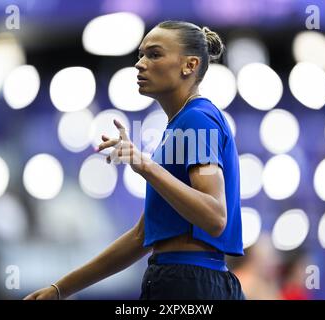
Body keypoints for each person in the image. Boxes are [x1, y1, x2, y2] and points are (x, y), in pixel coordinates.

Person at [24, 20, 245, 300]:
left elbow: (215, 217)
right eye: (140, 55)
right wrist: (60, 289)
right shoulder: (181, 125)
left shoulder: (196, 118)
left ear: (189, 65)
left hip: (188, 284)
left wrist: (145, 166)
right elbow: (142, 235)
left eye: (154, 54)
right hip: (181, 279)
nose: (140, 64)